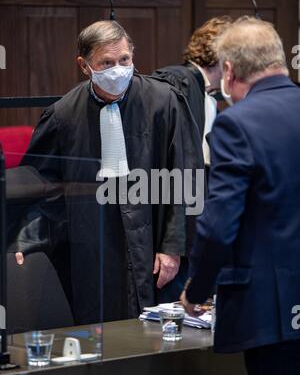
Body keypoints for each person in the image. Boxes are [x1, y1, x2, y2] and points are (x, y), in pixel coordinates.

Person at [13, 20, 203, 325]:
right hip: (94, 242)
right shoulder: (63, 115)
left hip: (153, 236)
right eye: (107, 62)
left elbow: (187, 177)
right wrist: (24, 240)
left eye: (124, 60)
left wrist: (173, 247)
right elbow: (41, 185)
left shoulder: (164, 102)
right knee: (101, 321)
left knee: (158, 329)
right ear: (84, 65)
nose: (118, 69)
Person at [181, 17, 300, 375]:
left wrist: (197, 290)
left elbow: (219, 225)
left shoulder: (237, 124)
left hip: (272, 311)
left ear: (229, 72)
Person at [152, 17, 232, 303]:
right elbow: (173, 166)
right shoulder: (180, 81)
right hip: (177, 226)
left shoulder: (209, 97)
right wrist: (170, 243)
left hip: (196, 223)